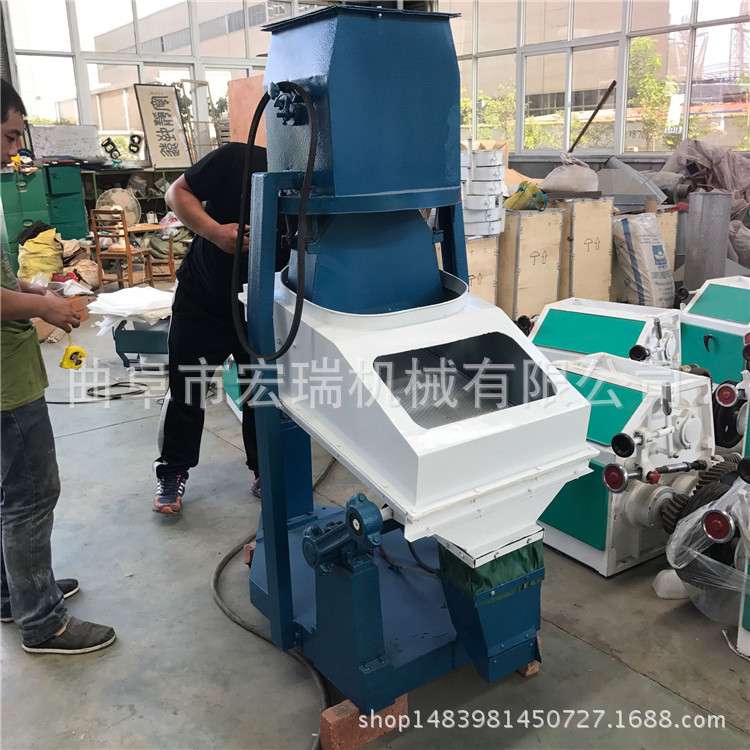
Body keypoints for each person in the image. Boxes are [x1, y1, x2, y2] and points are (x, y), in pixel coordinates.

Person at [0, 79, 115, 654]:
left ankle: (13, 592)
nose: (14, 148)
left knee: (9, 490)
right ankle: (42, 621)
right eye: (8, 135)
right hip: (6, 380)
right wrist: (45, 308)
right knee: (32, 491)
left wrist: (33, 288)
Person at [153, 141, 286, 514]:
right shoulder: (238, 159)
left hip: (260, 304)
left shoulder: (317, 186)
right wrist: (215, 232)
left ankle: (263, 469)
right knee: (188, 386)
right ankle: (172, 471)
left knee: (260, 391)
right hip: (203, 296)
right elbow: (176, 193)